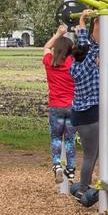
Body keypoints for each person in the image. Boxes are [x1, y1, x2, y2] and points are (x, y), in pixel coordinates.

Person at [68, 10, 101, 195]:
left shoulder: (75, 65)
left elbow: (85, 43)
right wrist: (95, 24)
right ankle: (83, 188)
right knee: (90, 154)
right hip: (89, 114)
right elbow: (93, 45)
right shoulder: (88, 64)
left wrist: (83, 20)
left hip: (79, 113)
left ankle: (86, 185)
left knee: (94, 152)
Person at [42, 24, 77, 183]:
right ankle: (70, 169)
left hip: (55, 106)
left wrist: (58, 34)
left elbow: (46, 47)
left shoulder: (50, 62)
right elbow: (81, 52)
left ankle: (56, 165)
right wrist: (77, 33)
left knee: (56, 137)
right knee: (70, 139)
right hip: (71, 106)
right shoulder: (72, 63)